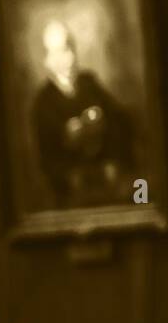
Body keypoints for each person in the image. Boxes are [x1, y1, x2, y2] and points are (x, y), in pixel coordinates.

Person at [32, 19, 138, 209]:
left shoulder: (89, 84)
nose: (64, 59)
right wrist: (68, 138)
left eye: (67, 49)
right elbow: (47, 158)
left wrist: (113, 157)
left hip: (107, 174)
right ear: (46, 60)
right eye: (55, 53)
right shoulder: (43, 103)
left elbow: (119, 121)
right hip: (72, 189)